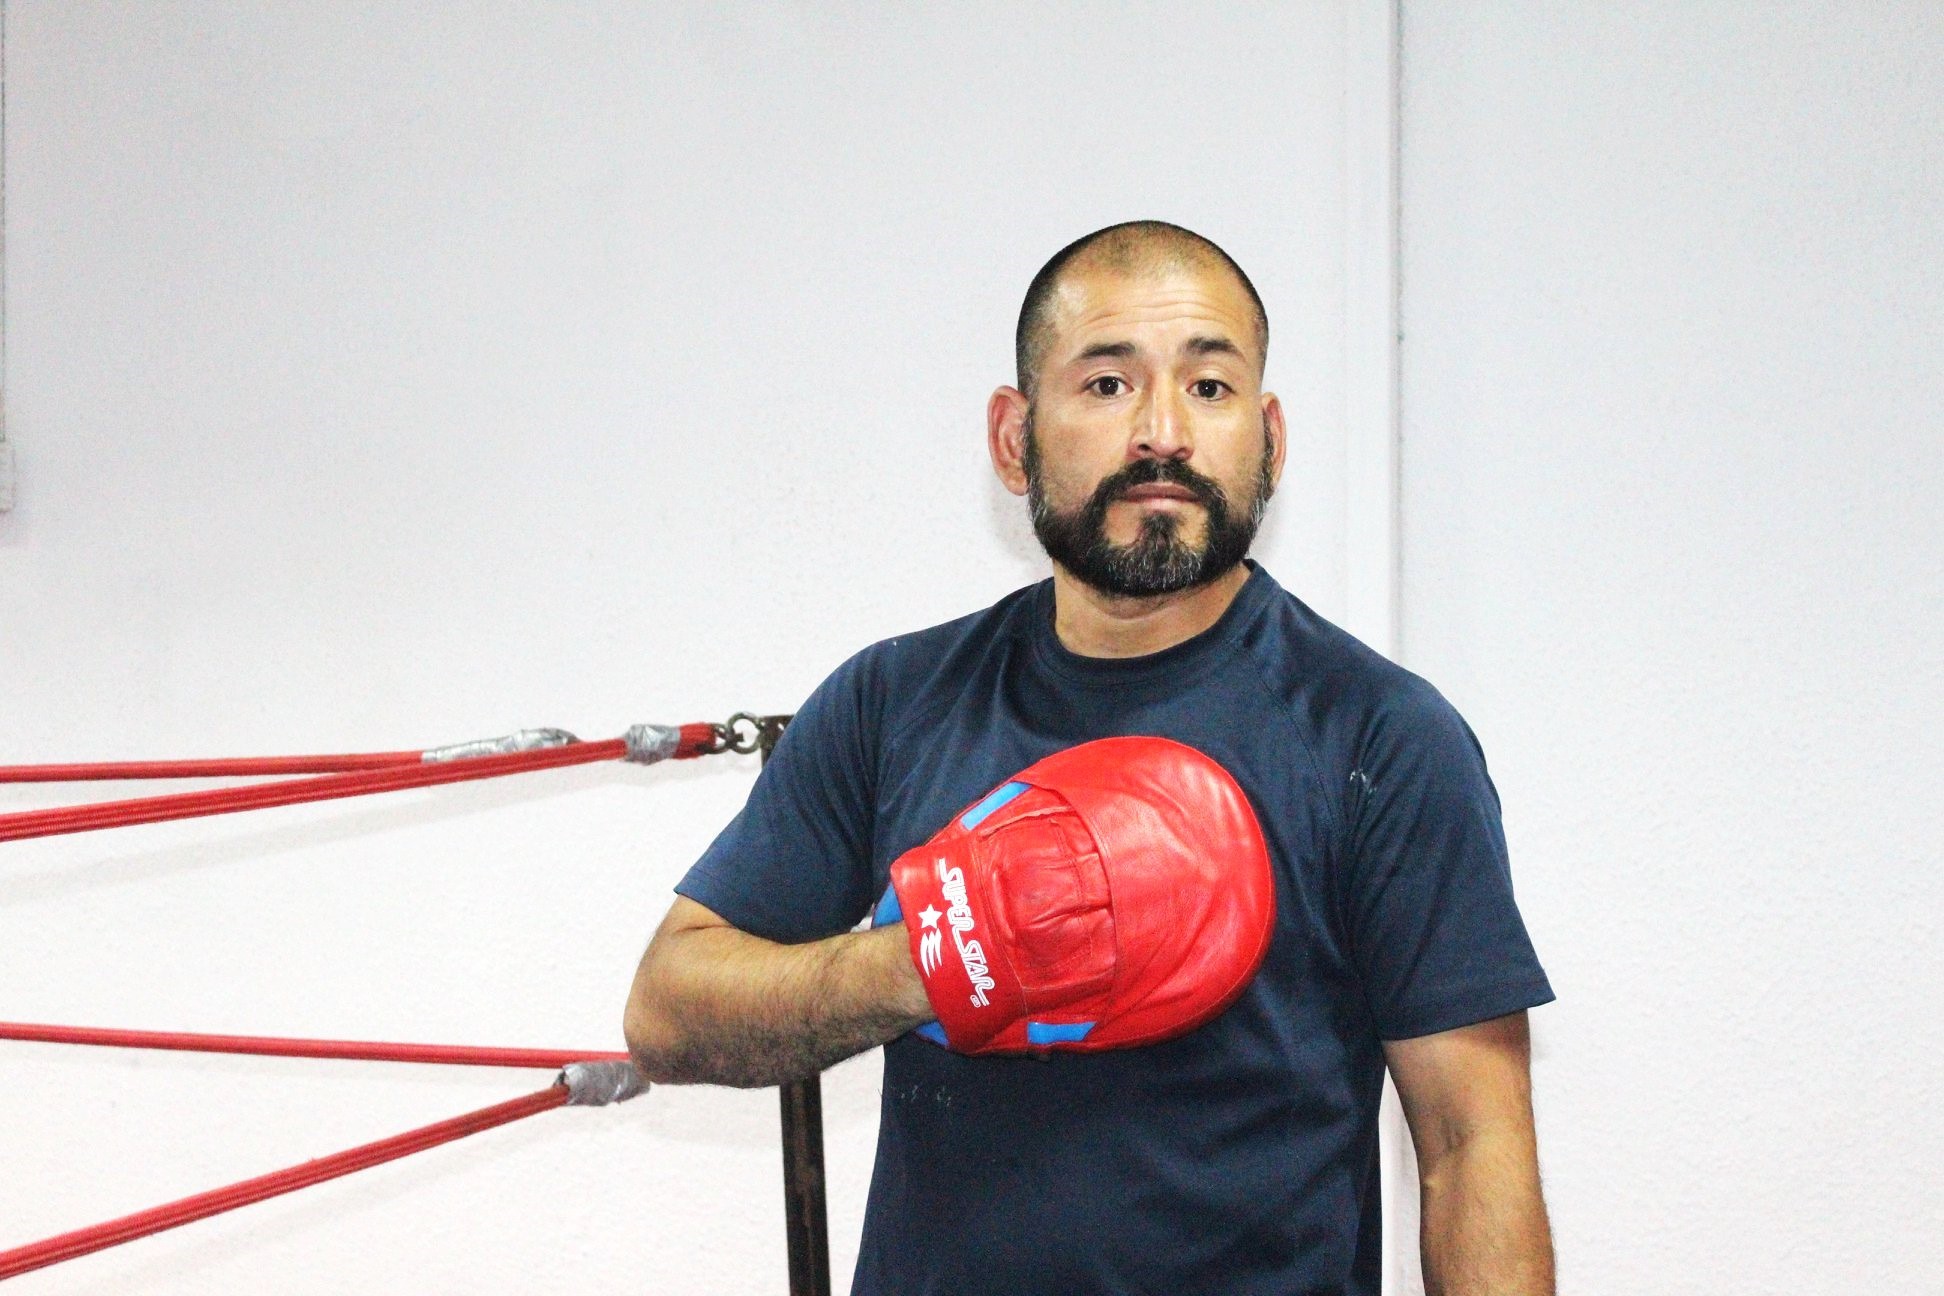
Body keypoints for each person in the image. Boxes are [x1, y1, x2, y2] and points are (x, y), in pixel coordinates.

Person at [624, 220, 1556, 1295]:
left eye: (1210, 388)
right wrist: (927, 962)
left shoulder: (1378, 738)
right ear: (1014, 437)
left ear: (1271, 437)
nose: (1163, 433)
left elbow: (1470, 1144)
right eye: (1108, 385)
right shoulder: (895, 702)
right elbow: (667, 1010)